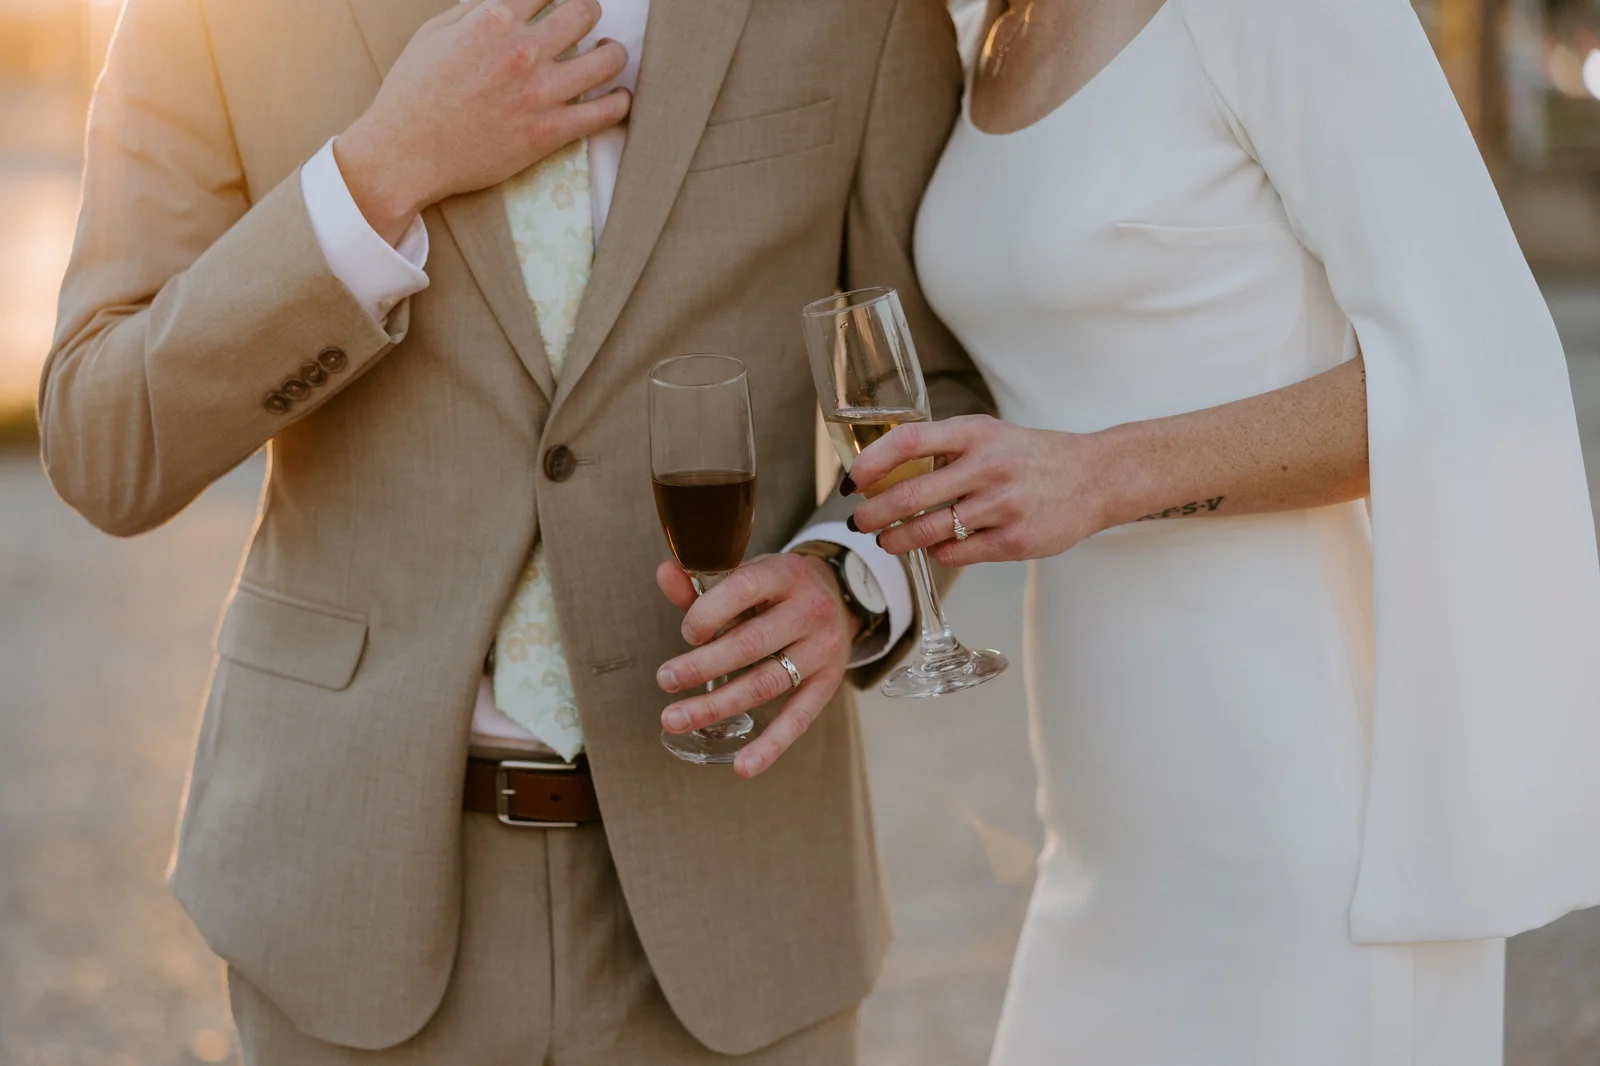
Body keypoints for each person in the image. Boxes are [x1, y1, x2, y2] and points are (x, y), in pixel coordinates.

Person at [38, 0, 988, 1061]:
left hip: (740, 897)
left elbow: (937, 384)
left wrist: (846, 577)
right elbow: (103, 441)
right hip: (340, 885)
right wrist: (378, 174)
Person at [841, 0, 1600, 1061]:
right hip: (1103, 819)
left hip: (1297, 806)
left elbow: (1477, 367)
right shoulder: (979, 22)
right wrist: (845, 571)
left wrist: (1101, 474)